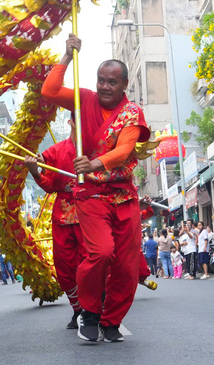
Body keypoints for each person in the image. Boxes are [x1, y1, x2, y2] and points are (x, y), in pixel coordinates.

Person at [41, 34, 150, 343]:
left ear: (124, 85)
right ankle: (89, 311)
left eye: (111, 82)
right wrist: (66, 56)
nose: (104, 86)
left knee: (127, 265)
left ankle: (111, 319)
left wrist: (96, 163)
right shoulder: (83, 99)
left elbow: (124, 150)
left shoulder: (132, 114)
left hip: (123, 195)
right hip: (90, 195)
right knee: (100, 252)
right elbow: (49, 90)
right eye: (101, 80)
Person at [24, 120, 86, 327]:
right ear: (70, 122)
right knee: (64, 266)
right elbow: (50, 186)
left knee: (93, 262)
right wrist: (35, 171)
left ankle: (94, 306)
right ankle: (78, 309)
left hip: (91, 214)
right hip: (64, 217)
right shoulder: (56, 151)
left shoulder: (98, 149)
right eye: (79, 119)